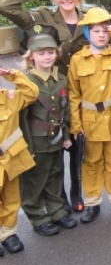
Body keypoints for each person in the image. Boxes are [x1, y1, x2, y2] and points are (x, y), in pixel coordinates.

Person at [0, 0, 88, 212]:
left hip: (80, 92)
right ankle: (59, 199)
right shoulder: (42, 16)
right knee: (53, 152)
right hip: (49, 91)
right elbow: (7, 7)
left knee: (78, 147)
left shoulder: (89, 18)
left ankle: (76, 194)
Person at [67, 7, 111, 224]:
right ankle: (92, 202)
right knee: (91, 162)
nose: (102, 35)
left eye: (105, 31)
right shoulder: (78, 59)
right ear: (88, 33)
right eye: (96, 31)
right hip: (90, 120)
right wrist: (76, 125)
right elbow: (73, 94)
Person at [19, 24, 78, 237]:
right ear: (31, 56)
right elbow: (21, 118)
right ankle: (38, 217)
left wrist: (67, 135)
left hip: (56, 138)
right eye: (41, 53)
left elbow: (64, 109)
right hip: (36, 140)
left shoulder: (60, 78)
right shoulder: (26, 81)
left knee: (55, 175)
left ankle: (56, 210)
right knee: (35, 180)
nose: (47, 57)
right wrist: (27, 147)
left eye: (51, 52)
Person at [0, 65, 39, 256]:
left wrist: (14, 75)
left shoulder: (9, 98)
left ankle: (9, 234)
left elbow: (32, 93)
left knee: (11, 198)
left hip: (10, 159)